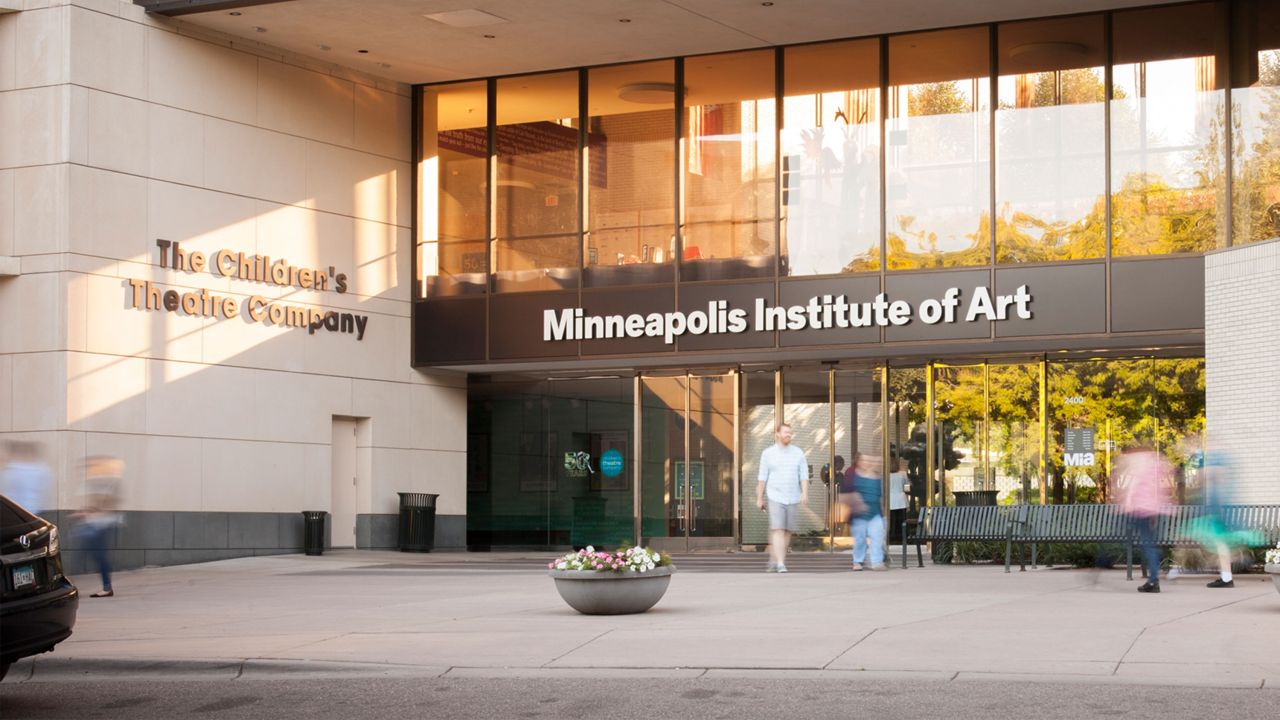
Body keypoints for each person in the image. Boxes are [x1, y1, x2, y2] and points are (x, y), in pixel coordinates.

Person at [1114, 443, 1172, 593]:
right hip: (1151, 510)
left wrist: (1126, 504)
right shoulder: (1155, 465)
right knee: (1149, 544)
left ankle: (1153, 581)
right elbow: (1162, 488)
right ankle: (1153, 580)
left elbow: (1134, 487)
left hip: (1139, 509)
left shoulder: (1139, 464)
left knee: (1142, 543)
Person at [756, 422, 809, 573]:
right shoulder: (768, 453)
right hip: (775, 496)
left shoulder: (798, 453)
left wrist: (804, 493)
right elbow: (762, 477)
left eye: (790, 432)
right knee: (778, 529)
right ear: (777, 434)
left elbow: (804, 475)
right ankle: (780, 563)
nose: (788, 435)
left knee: (787, 531)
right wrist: (760, 498)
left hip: (792, 497)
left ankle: (775, 559)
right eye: (785, 432)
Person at [76, 456, 124, 598]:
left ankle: (106, 587)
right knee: (89, 555)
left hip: (103, 525)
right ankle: (106, 586)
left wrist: (91, 511)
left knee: (96, 556)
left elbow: (109, 504)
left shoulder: (111, 482)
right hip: (93, 524)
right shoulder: (92, 482)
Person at [843, 454, 886, 571]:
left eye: (869, 460)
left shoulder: (877, 478)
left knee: (877, 537)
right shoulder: (854, 475)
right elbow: (847, 493)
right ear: (859, 462)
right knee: (860, 539)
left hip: (875, 513)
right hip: (859, 514)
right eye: (864, 460)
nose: (867, 462)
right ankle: (857, 561)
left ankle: (876, 561)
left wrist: (883, 514)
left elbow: (879, 497)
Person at [0, 441, 53, 516]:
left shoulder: (10, 470)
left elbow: (5, 492)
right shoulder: (43, 469)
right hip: (34, 512)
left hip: (15, 513)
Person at [887, 456, 908, 545]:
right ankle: (902, 538)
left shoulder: (885, 475)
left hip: (890, 500)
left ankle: (891, 538)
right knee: (902, 521)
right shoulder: (903, 474)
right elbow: (907, 485)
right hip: (901, 499)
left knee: (891, 521)